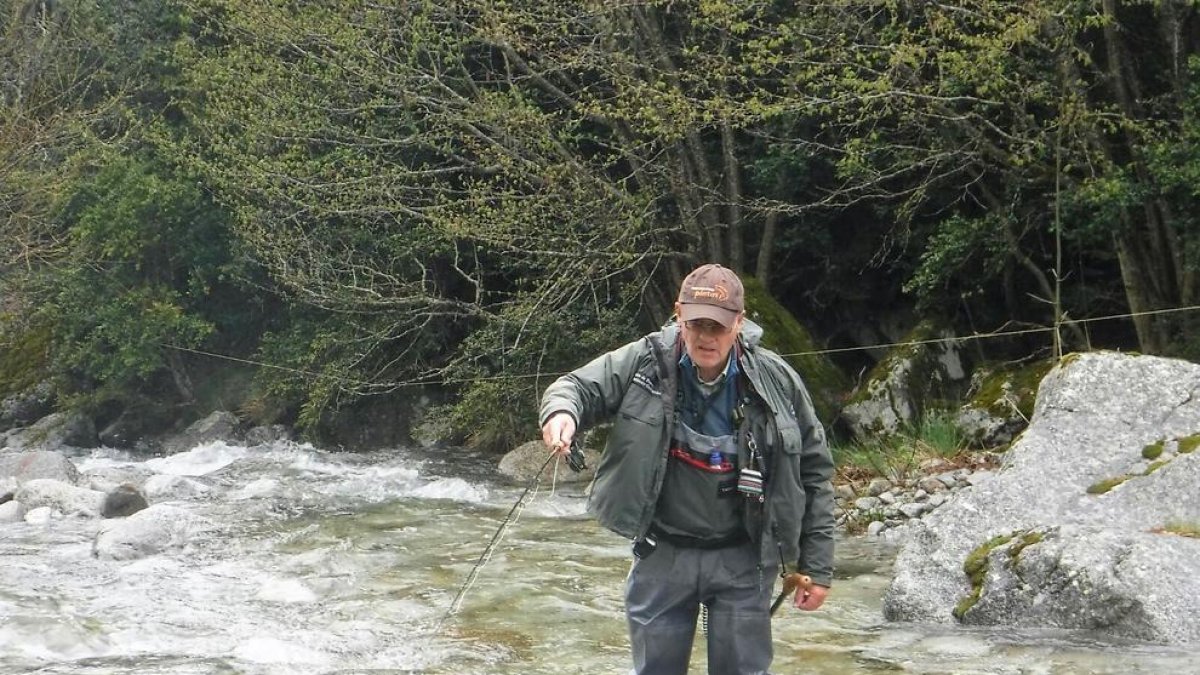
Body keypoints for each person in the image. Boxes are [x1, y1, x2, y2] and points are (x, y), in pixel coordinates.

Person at [539, 263, 835, 675]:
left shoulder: (776, 380)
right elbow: (576, 387)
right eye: (696, 324)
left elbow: (815, 472)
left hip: (744, 556)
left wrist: (817, 567)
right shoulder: (644, 360)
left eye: (718, 326)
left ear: (739, 322)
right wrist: (561, 414)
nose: (706, 337)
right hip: (662, 552)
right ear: (679, 315)